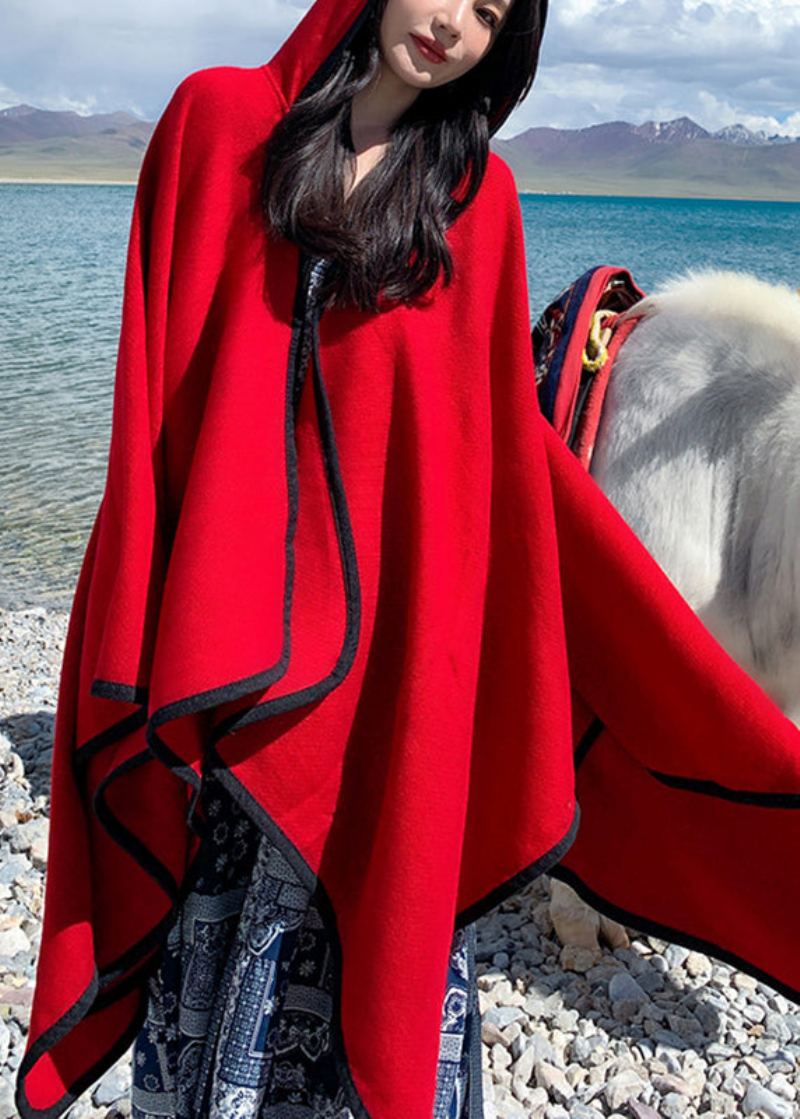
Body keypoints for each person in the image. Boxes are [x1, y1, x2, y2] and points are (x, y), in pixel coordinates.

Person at [17, 0, 800, 1114]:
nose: (452, 25)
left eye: (489, 16)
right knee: (210, 923)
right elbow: (155, 395)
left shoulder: (476, 201)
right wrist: (143, 601)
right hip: (218, 634)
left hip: (380, 660)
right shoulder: (214, 120)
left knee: (377, 929)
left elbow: (476, 456)